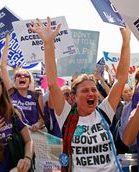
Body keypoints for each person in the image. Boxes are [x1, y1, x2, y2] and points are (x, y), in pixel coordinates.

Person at [29, 17, 131, 171]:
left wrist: (126, 39)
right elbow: (52, 84)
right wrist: (48, 43)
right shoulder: (67, 116)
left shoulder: (104, 112)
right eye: (85, 90)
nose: (91, 93)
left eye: (93, 90)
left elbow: (121, 78)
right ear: (74, 97)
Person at [0, 35, 45, 132]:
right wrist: (7, 44)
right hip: (13, 135)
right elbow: (3, 67)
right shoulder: (11, 92)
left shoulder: (37, 96)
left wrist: (37, 124)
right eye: (19, 75)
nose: (22, 77)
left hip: (31, 135)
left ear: (30, 81)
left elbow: (42, 119)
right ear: (14, 80)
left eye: (26, 76)